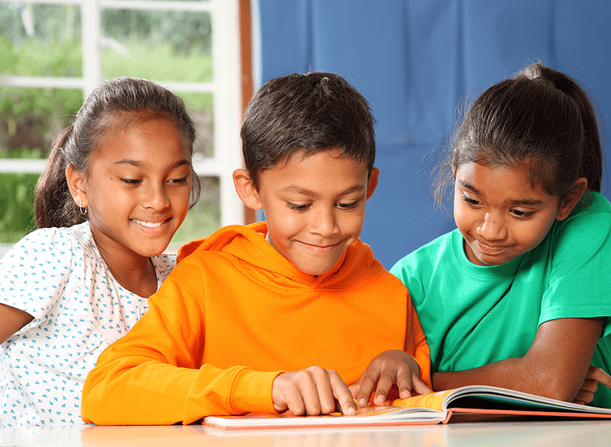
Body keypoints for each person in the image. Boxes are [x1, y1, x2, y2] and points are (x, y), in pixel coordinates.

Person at [81, 72, 432, 426]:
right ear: (249, 189)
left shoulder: (389, 292)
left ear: (369, 186)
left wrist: (404, 366)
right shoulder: (205, 282)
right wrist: (267, 387)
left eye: (347, 203)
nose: (325, 228)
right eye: (298, 205)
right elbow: (106, 389)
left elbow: (420, 409)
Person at [391, 62, 611, 409]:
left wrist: (424, 387)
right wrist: (525, 390)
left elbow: (549, 382)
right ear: (456, 168)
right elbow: (379, 395)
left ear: (568, 201)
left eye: (520, 212)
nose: (490, 229)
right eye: (472, 200)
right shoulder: (411, 278)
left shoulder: (589, 223)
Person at [0, 77, 200, 427]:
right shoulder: (57, 256)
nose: (158, 200)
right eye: (131, 180)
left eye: (177, 179)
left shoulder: (184, 280)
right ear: (80, 185)